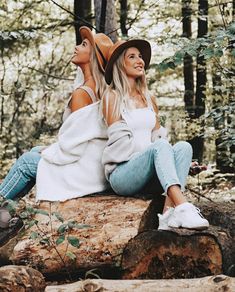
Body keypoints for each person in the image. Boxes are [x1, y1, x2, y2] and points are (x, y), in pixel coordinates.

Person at [0, 27, 113, 226]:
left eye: (84, 45)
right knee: (36, 151)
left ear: (93, 56)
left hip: (85, 171)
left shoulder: (83, 93)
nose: (77, 47)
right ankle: (4, 212)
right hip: (95, 164)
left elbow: (73, 146)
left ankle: (1, 206)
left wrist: (50, 152)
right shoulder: (102, 90)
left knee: (27, 161)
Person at [101, 39, 209, 230]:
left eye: (140, 57)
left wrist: (174, 162)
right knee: (160, 147)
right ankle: (182, 207)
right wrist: (154, 155)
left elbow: (158, 139)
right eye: (132, 57)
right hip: (123, 174)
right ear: (120, 63)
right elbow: (120, 146)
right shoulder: (112, 97)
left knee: (184, 147)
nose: (140, 61)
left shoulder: (149, 99)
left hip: (149, 174)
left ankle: (168, 215)